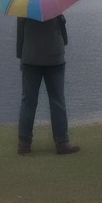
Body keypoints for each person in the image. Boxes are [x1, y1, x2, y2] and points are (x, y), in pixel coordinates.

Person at [16, 14, 80, 155]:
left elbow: (20, 36)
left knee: (28, 101)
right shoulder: (54, 7)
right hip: (54, 59)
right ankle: (62, 142)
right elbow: (65, 38)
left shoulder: (24, 9)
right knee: (57, 100)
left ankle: (24, 143)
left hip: (30, 59)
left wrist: (21, 57)